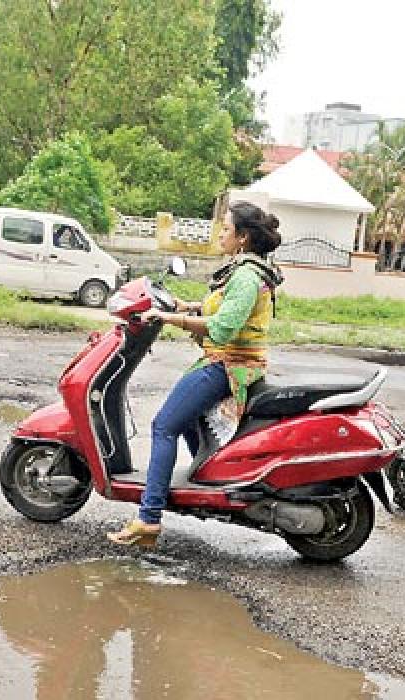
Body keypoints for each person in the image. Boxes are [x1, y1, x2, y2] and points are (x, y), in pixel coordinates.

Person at [106, 201, 283, 547]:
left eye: (227, 230)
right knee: (183, 419)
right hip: (229, 362)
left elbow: (223, 327)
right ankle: (202, 477)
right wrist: (185, 307)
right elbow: (221, 308)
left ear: (243, 238)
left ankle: (149, 517)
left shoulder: (246, 276)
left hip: (230, 366)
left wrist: (171, 319)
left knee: (163, 426)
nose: (221, 235)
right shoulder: (245, 270)